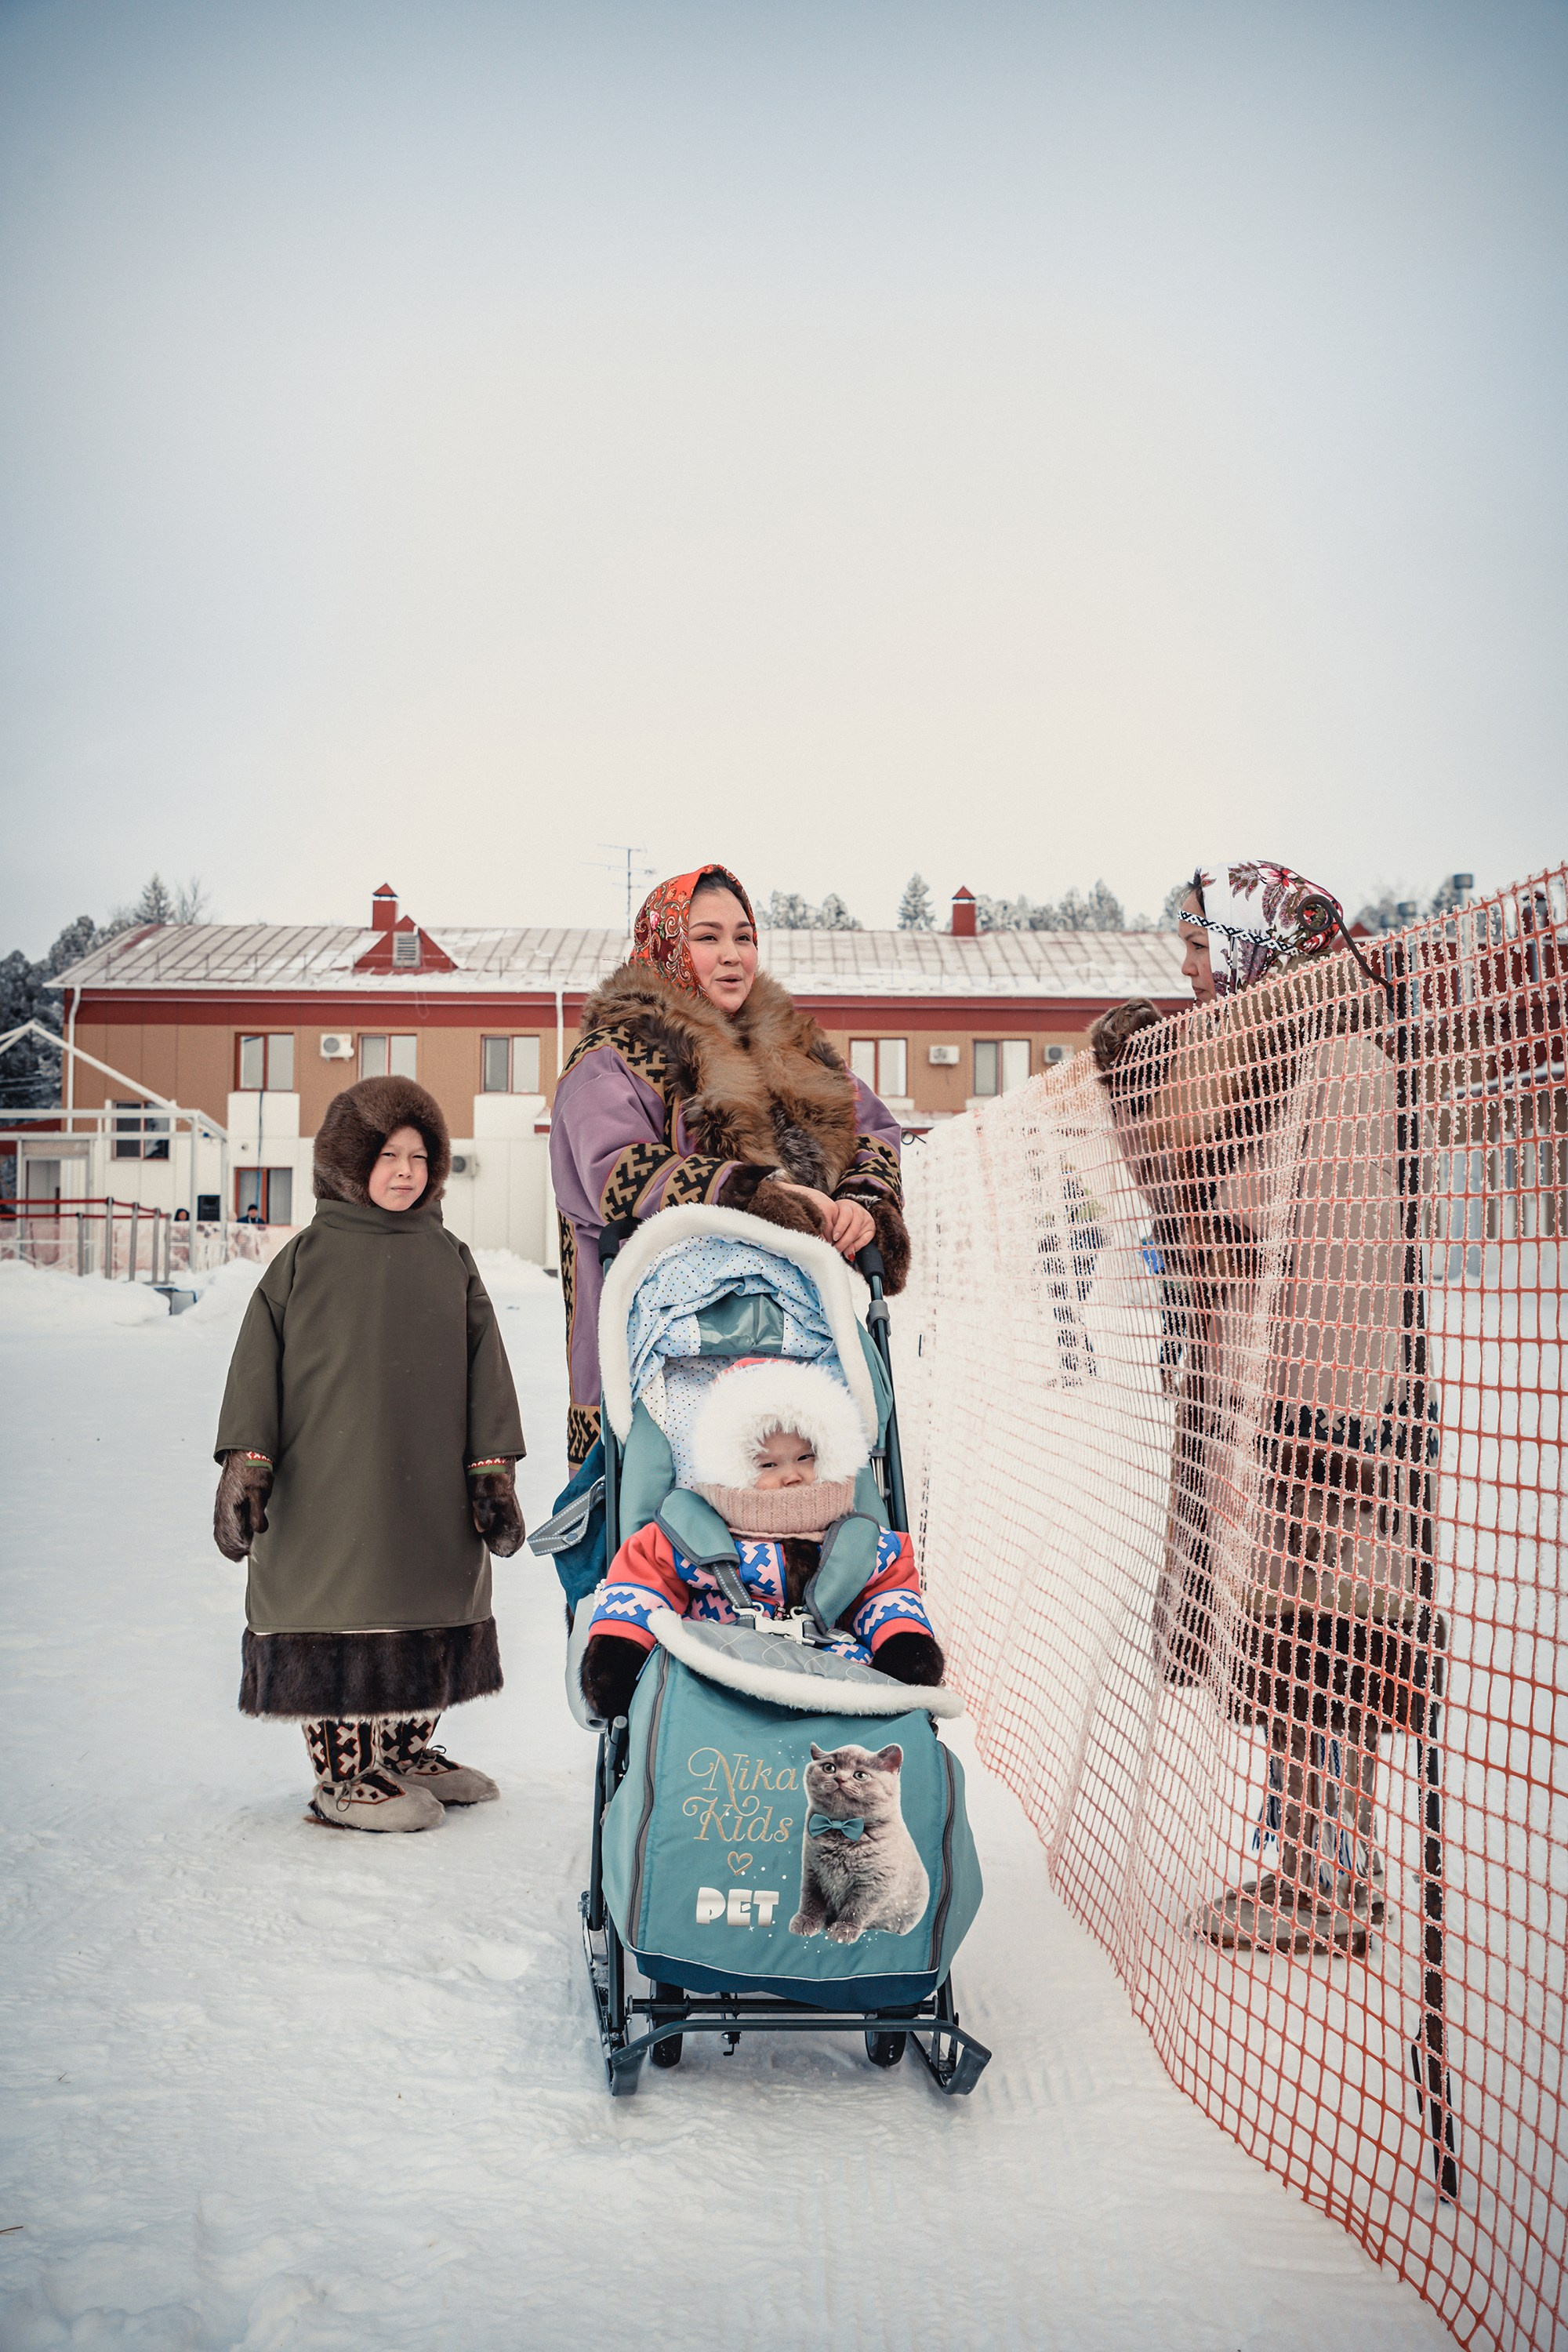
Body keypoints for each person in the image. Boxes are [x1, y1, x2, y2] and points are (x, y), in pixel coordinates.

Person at [1091, 861, 1439, 1955]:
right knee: (1296, 1639)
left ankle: (1327, 1879)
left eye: (1202, 945)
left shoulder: (1331, 1059)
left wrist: (1310, 1436)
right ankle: (1311, 1856)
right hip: (1279, 1404)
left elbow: (1313, 1258)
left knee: (1327, 1635)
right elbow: (1200, 1219)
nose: (1192, 969)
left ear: (1256, 944)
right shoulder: (1267, 1052)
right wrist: (1137, 1090)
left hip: (1324, 1416)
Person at [212, 1076, 528, 1832]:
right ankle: (345, 1777)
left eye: (420, 1157)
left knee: (428, 1601)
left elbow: (487, 1369)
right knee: (343, 1612)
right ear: (349, 1163)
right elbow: (257, 1367)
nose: (406, 1171)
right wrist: (246, 1466)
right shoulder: (305, 1260)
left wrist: (493, 1475)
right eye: (388, 1155)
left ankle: (405, 1751)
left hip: (428, 1489)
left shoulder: (449, 1258)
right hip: (328, 1489)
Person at [550, 865, 910, 1466]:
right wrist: (760, 1195)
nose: (732, 955)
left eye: (744, 937)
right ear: (665, 945)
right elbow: (614, 1172)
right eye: (708, 937)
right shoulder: (610, 1060)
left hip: (791, 1346)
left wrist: (862, 1201)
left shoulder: (792, 1053)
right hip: (657, 1360)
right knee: (660, 1534)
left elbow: (871, 1127)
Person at [579, 1358, 944, 1722]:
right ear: (731, 1470)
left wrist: (903, 1644)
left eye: (806, 1457)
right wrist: (621, 1648)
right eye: (769, 1465)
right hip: (715, 1677)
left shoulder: (861, 1545)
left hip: (831, 1683)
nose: (792, 1476)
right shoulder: (686, 1537)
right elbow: (643, 1583)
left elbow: (885, 1596)